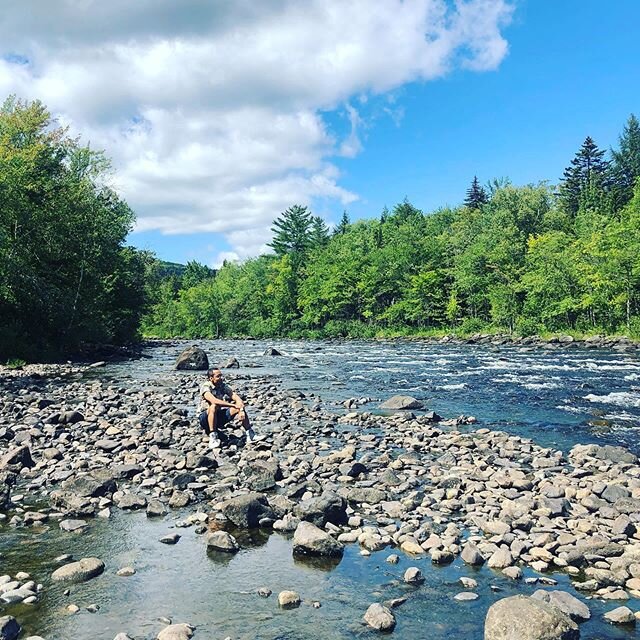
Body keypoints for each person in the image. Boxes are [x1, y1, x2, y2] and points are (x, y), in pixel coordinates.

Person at [198, 368, 255, 449]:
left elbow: (235, 397)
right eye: (218, 376)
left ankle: (250, 434)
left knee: (238, 407)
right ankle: (213, 436)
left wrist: (241, 409)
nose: (221, 378)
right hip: (205, 418)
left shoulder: (223, 386)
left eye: (221, 375)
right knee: (213, 406)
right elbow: (214, 401)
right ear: (211, 378)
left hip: (218, 417)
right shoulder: (206, 387)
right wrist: (232, 405)